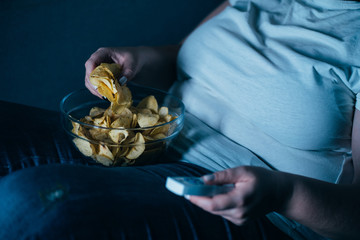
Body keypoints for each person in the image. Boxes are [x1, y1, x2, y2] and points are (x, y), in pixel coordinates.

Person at [0, 0, 359, 239]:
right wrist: (136, 60)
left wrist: (284, 192)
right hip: (151, 140)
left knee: (32, 205)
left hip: (240, 199)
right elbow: (182, 58)